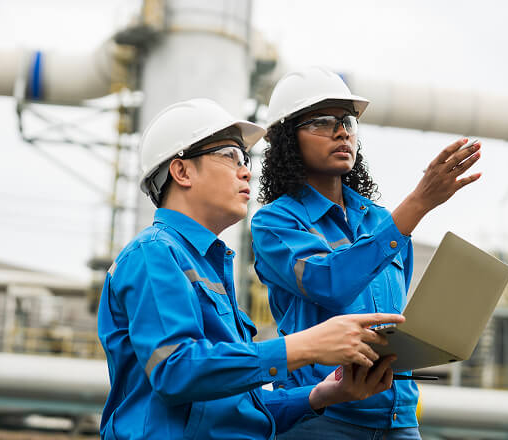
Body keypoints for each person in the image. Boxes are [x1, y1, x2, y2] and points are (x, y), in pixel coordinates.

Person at [97, 98, 407, 440]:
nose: (246, 171)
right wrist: (304, 347)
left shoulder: (207, 263)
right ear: (181, 171)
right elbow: (176, 369)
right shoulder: (153, 253)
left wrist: (324, 394)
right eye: (230, 155)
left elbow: (245, 407)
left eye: (246, 159)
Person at [251, 66, 483, 439]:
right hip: (324, 421)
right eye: (323, 122)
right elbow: (329, 282)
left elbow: (395, 317)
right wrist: (418, 204)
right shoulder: (274, 224)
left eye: (347, 121)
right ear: (287, 139)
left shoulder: (380, 220)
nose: (342, 131)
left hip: (400, 419)